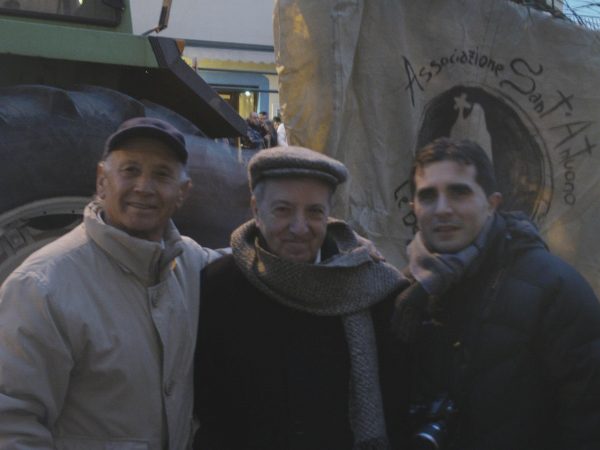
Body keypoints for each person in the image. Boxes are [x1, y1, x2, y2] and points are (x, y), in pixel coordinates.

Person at [0, 117, 224, 449]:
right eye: (130, 170)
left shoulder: (188, 266)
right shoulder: (42, 286)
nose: (144, 187)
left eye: (161, 174)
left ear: (182, 193)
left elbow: (251, 267)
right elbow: (12, 423)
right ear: (102, 181)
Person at [194, 146, 410, 450]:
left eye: (314, 211)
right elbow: (206, 405)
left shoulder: (371, 286)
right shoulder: (217, 287)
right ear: (256, 209)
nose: (300, 228)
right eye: (283, 210)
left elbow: (397, 402)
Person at [394, 137, 600, 450]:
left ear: (492, 203)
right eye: (428, 196)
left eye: (459, 192)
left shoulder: (554, 289)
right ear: (414, 208)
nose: (442, 209)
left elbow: (588, 420)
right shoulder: (407, 292)